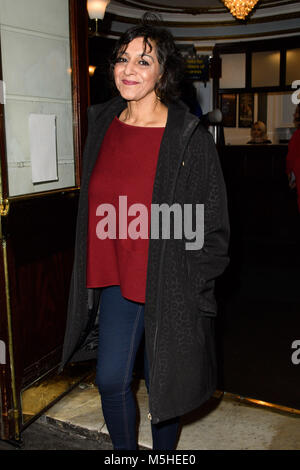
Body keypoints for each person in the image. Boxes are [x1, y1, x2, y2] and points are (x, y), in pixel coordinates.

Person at [60, 14, 230, 451]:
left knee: (164, 392)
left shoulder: (189, 137)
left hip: (171, 282)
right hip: (119, 279)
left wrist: (193, 283)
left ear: (163, 72)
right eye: (122, 59)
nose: (129, 69)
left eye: (144, 61)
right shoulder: (101, 124)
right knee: (111, 379)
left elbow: (212, 226)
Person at [286, 103, 300, 211]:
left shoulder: (297, 136)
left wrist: (291, 179)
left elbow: (292, 160)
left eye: (296, 112)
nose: (294, 115)